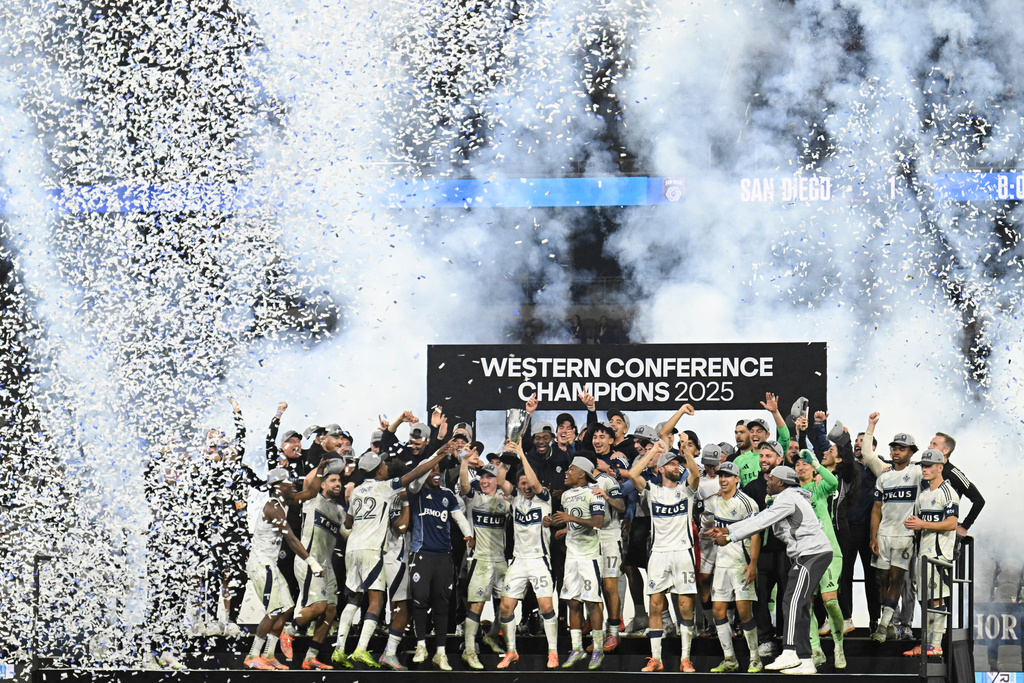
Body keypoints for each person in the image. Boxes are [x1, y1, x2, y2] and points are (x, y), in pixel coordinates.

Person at [330, 446, 455, 668]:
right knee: (393, 604)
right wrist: (441, 454)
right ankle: (374, 651)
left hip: (353, 548)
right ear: (379, 471)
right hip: (384, 552)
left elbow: (347, 524)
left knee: (355, 599)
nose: (386, 467)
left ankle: (339, 649)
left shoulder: (358, 490)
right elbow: (403, 522)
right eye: (383, 465)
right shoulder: (389, 489)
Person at [708, 465, 833, 675]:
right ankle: (806, 660)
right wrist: (728, 529)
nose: (767, 480)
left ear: (781, 483)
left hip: (812, 553)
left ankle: (791, 651)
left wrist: (730, 537)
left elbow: (762, 521)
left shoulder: (788, 498)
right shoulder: (786, 498)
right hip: (808, 554)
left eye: (771, 478)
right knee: (798, 605)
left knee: (792, 601)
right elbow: (757, 519)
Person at [626, 431, 700, 672]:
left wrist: (684, 450)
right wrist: (653, 452)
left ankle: (685, 657)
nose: (676, 466)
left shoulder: (686, 491)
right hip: (658, 553)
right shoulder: (652, 491)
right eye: (671, 463)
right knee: (655, 605)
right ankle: (656, 658)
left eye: (677, 463)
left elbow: (696, 473)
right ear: (660, 469)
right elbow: (632, 474)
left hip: (682, 552)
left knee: (685, 606)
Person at [243, 468, 324, 670]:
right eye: (290, 483)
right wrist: (312, 562)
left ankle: (269, 654)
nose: (294, 486)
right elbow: (292, 539)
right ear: (279, 487)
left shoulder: (284, 502)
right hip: (261, 565)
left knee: (286, 608)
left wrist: (321, 469)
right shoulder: (273, 508)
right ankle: (252, 655)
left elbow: (312, 492)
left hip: (269, 565)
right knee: (274, 610)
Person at [407, 442, 474, 671]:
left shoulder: (447, 495)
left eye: (438, 471)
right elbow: (419, 472)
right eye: (432, 471)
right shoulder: (416, 491)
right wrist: (439, 453)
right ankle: (420, 645)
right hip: (421, 554)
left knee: (442, 604)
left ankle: (441, 652)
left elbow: (459, 517)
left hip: (444, 557)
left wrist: (468, 535)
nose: (436, 475)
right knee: (420, 599)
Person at [494, 439, 560, 669]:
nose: (527, 486)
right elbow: (500, 480)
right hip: (519, 561)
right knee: (505, 607)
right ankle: (511, 651)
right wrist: (505, 457)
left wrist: (521, 454)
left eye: (529, 483)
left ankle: (553, 652)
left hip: (540, 560)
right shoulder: (515, 499)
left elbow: (534, 480)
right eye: (522, 483)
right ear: (519, 485)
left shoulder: (544, 499)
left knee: (546, 607)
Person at [862, 413, 921, 643]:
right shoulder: (884, 475)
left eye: (902, 448)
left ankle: (888, 625)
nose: (897, 451)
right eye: (894, 448)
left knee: (899, 581)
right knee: (883, 580)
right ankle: (889, 624)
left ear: (911, 453)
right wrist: (873, 536)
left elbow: (938, 467)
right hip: (884, 535)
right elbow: (876, 509)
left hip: (906, 536)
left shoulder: (917, 472)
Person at [282, 459, 346, 670]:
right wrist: (321, 468)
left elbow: (348, 534)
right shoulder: (312, 499)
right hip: (309, 562)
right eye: (333, 480)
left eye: (340, 480)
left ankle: (311, 657)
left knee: (330, 611)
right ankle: (288, 631)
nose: (338, 483)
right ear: (323, 484)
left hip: (326, 566)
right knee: (318, 606)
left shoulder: (339, 511)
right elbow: (310, 482)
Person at [701, 461, 762, 673]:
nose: (723, 479)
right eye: (721, 476)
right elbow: (709, 524)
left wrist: (753, 562)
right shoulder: (714, 501)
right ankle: (730, 659)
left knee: (744, 612)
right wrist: (709, 531)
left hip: (741, 564)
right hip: (721, 564)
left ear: (737, 479)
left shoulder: (747, 503)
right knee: (718, 611)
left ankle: (755, 658)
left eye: (728, 476)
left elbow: (755, 533)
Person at [902, 449, 959, 657]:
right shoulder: (924, 495)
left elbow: (952, 524)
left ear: (940, 467)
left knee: (937, 599)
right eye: (923, 466)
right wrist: (912, 524)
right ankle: (926, 644)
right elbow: (920, 524)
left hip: (939, 554)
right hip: (923, 553)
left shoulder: (948, 492)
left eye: (929, 466)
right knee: (925, 600)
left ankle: (935, 644)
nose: (924, 469)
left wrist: (922, 523)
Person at [793, 448, 847, 669]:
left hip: (829, 551)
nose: (801, 466)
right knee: (806, 603)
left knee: (830, 601)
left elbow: (833, 482)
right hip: (805, 554)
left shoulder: (819, 487)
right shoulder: (792, 494)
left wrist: (816, 463)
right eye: (797, 464)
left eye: (804, 464)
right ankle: (816, 649)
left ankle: (838, 646)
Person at [555, 455, 607, 670]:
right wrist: (562, 526)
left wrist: (571, 520)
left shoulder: (593, 494)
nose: (566, 472)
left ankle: (598, 649)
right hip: (572, 556)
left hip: (589, 557)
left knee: (592, 602)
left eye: (571, 469)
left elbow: (598, 522)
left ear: (581, 473)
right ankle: (577, 649)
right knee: (572, 601)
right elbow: (575, 521)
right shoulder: (566, 495)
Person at [459, 456, 511, 669]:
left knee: (506, 604)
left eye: (490, 477)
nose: (485, 480)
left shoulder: (505, 502)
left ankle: (491, 636)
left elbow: (511, 488)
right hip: (480, 560)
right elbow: (464, 485)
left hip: (500, 560)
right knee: (477, 605)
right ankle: (469, 649)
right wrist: (464, 463)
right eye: (483, 477)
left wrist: (504, 469)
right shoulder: (474, 498)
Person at [742, 440, 788, 659]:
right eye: (761, 456)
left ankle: (788, 641)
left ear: (779, 459)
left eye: (768, 456)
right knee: (759, 597)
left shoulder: (788, 484)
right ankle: (766, 639)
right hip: (762, 551)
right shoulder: (752, 488)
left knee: (787, 597)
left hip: (787, 550)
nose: (763, 460)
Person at [927, 433, 984, 537]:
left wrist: (965, 526)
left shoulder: (954, 473)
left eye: (934, 444)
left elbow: (979, 500)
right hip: (923, 531)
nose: (929, 447)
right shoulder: (920, 469)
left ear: (945, 451)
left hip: (945, 535)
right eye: (930, 443)